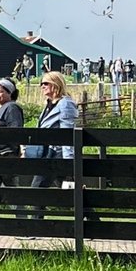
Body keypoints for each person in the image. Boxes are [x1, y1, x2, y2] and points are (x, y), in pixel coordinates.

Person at [22, 71, 79, 219]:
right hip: (47, 152)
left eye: (46, 83)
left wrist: (69, 161)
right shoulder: (49, 105)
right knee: (72, 192)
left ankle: (36, 224)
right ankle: (92, 220)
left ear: (56, 84)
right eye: (41, 84)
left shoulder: (65, 104)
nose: (42, 86)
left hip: (56, 153)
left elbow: (67, 134)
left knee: (38, 188)